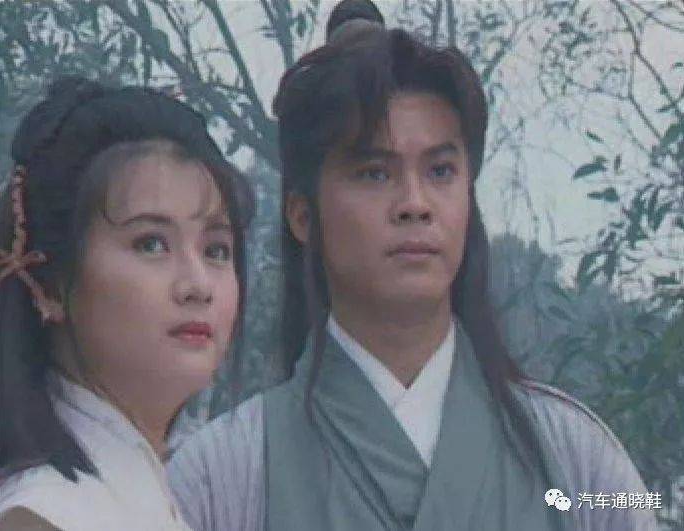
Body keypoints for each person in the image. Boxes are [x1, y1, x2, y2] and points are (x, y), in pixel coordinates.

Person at [168, 1, 657, 530]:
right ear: (303, 216)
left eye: (441, 171)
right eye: (375, 173)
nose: (415, 203)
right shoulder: (222, 477)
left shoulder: (576, 464)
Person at [0, 76, 252, 530]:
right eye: (151, 244)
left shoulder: (143, 495)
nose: (198, 286)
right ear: (49, 282)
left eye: (216, 250)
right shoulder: (41, 514)